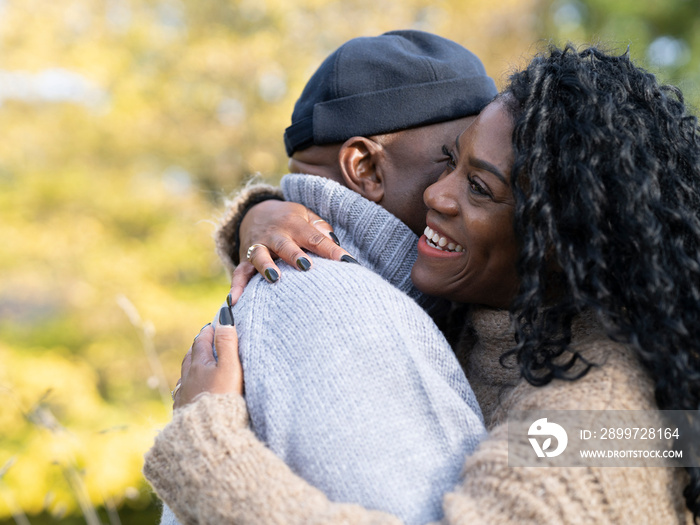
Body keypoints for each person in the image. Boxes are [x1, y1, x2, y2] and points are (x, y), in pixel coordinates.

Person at [144, 45, 700, 523]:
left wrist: (207, 452)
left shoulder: (606, 413)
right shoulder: (469, 313)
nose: (438, 194)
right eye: (448, 164)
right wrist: (261, 213)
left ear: (562, 235)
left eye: (478, 187)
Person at [151, 30, 499, 525]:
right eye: (452, 159)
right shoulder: (338, 306)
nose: (456, 188)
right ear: (365, 169)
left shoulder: (326, 286)